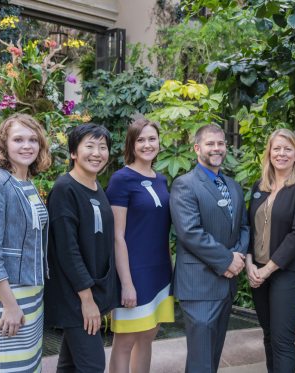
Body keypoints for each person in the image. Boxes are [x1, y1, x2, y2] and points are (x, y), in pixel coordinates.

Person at [0, 113, 51, 372]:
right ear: (4, 145)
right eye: (18, 139)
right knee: (7, 367)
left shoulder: (26, 182)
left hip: (30, 291)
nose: (26, 146)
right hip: (6, 294)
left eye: (32, 140)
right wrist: (9, 305)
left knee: (28, 365)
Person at [170, 124, 249, 373]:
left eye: (220, 143)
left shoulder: (234, 186)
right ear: (197, 148)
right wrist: (227, 260)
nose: (216, 148)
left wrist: (237, 258)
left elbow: (244, 227)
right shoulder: (185, 184)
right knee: (201, 361)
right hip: (199, 286)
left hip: (226, 286)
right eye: (210, 143)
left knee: (213, 358)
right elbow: (190, 232)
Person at [45, 123, 118, 373]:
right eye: (89, 146)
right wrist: (87, 300)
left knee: (70, 365)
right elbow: (67, 250)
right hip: (75, 296)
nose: (97, 153)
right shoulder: (65, 189)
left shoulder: (97, 188)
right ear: (74, 153)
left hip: (90, 293)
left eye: (102, 147)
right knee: (93, 365)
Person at [245, 128, 295, 372]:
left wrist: (267, 270)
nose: (282, 154)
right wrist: (250, 265)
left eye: (288, 149)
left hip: (289, 271)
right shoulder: (259, 186)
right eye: (277, 148)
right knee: (268, 335)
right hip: (258, 271)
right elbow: (249, 227)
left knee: (282, 339)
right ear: (269, 153)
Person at [106, 118, 174, 373]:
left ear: (159, 142)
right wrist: (126, 283)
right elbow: (117, 236)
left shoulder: (162, 179)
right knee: (124, 341)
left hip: (160, 272)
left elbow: (163, 231)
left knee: (147, 336)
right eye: (141, 140)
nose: (147, 144)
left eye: (152, 139)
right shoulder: (121, 179)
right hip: (133, 272)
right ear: (131, 145)